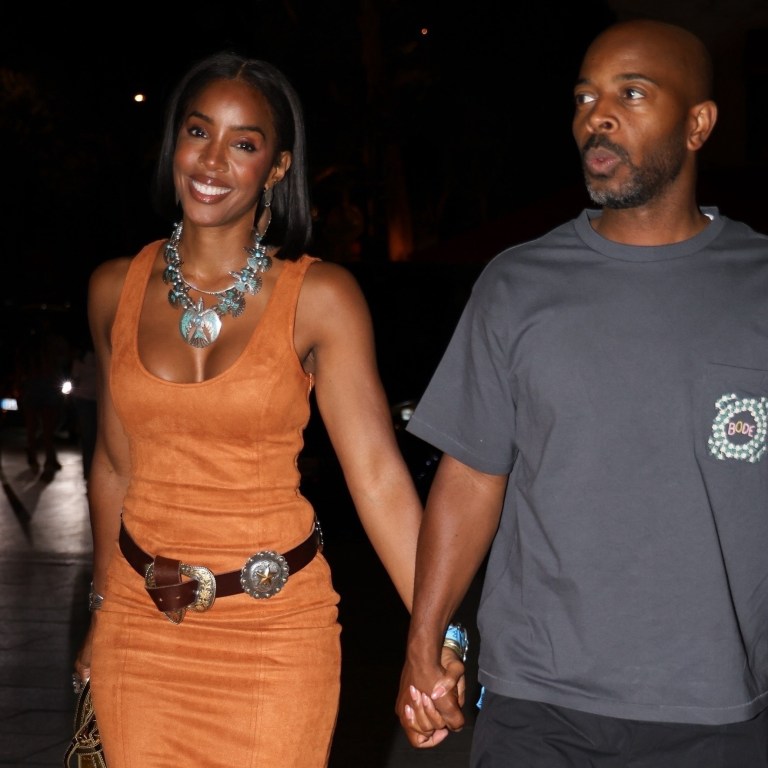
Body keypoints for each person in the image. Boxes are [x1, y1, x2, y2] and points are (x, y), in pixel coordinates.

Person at [71, 51, 461, 767]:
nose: (212, 160)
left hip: (274, 636)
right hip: (140, 628)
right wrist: (100, 612)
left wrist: (439, 632)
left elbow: (377, 478)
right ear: (174, 142)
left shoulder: (321, 298)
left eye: (243, 143)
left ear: (277, 168)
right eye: (198, 132)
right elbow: (114, 467)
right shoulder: (112, 290)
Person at [396, 18, 768, 767]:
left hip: (718, 707)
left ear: (698, 124)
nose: (597, 115)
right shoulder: (516, 284)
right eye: (584, 96)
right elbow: (471, 477)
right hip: (539, 705)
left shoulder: (757, 282)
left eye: (632, 94)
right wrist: (424, 638)